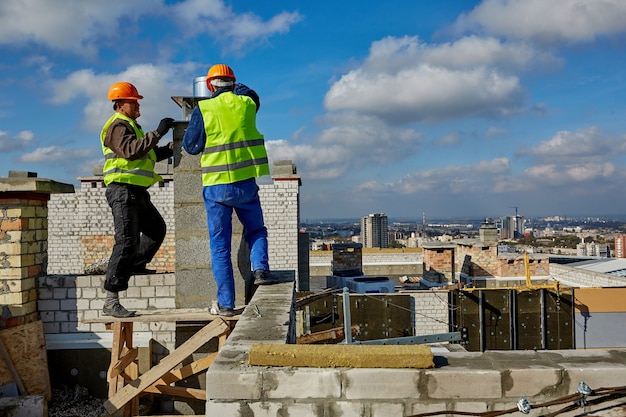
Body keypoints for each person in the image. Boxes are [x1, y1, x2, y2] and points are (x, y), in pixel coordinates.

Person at [182, 64, 276, 317]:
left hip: (216, 188)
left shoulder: (204, 108)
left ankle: (226, 304)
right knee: (256, 230)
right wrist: (236, 87)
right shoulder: (246, 104)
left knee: (220, 245)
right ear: (233, 84)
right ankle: (261, 270)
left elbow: (190, 147)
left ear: (210, 86)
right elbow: (252, 94)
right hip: (245, 184)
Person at [100, 81, 175, 318]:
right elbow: (131, 151)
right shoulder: (118, 126)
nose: (138, 107)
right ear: (121, 105)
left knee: (156, 229)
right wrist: (159, 132)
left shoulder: (132, 126)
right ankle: (111, 300)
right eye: (134, 103)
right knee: (126, 242)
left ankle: (134, 266)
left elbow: (148, 153)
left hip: (136, 192)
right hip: (122, 191)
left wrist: (173, 146)